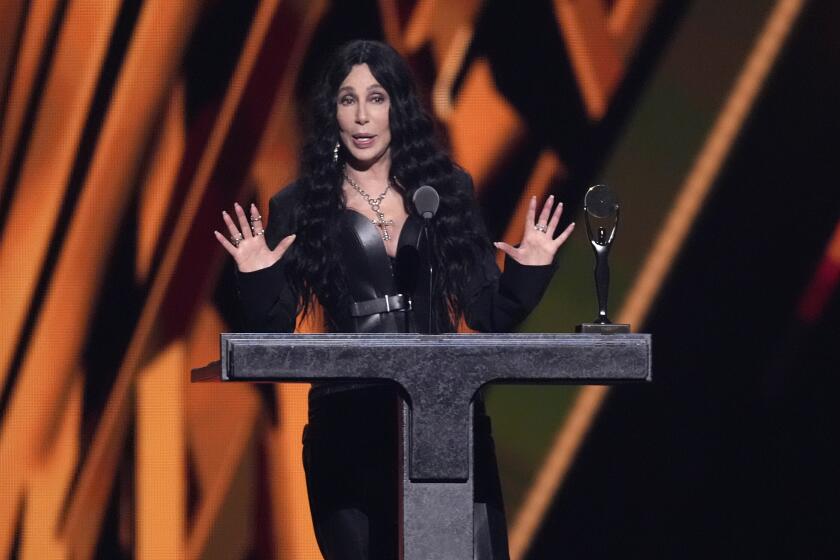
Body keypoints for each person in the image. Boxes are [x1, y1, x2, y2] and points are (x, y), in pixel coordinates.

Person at [214, 40, 574, 560]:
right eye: (347, 100)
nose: (362, 116)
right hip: (350, 424)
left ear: (398, 106)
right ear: (331, 111)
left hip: (443, 416)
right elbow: (275, 323)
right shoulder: (299, 205)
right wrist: (256, 272)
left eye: (376, 98)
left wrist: (530, 267)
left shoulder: (447, 192)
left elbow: (488, 311)